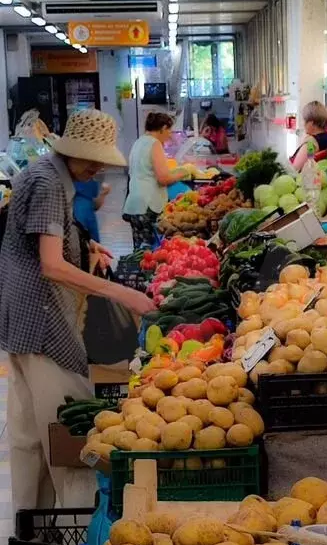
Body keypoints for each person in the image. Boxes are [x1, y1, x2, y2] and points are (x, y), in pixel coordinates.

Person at [0, 109, 155, 511]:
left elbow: (37, 242)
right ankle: (76, 534)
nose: (99, 167)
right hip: (42, 323)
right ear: (75, 152)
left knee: (30, 437)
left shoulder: (50, 175)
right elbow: (50, 266)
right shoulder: (49, 183)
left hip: (21, 322)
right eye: (94, 159)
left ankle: (35, 529)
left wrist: (84, 246)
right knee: (69, 431)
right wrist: (123, 295)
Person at [123, 112, 192, 250]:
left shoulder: (138, 142)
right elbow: (163, 178)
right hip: (148, 206)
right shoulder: (154, 144)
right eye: (169, 130)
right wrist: (184, 172)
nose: (170, 135)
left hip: (134, 204)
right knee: (151, 252)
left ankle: (140, 271)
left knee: (140, 251)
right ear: (163, 128)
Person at [290, 101, 327, 171]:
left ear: (311, 123)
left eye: (305, 120)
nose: (303, 124)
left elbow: (296, 169)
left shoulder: (311, 144)